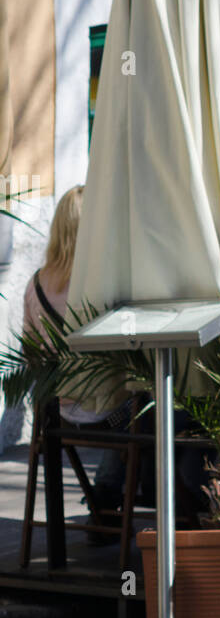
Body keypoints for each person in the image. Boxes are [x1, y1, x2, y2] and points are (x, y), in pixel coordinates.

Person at [23, 186, 134, 533]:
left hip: (56, 414)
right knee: (152, 410)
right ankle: (114, 497)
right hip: (108, 414)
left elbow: (29, 352)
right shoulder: (105, 284)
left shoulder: (36, 284)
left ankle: (104, 499)